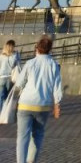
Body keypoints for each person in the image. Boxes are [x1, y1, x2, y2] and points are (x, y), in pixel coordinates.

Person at [15, 35, 62, 163]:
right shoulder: (54, 65)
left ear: (37, 48)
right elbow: (57, 87)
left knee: (22, 137)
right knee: (38, 135)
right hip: (43, 106)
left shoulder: (30, 63)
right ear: (50, 49)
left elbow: (19, 83)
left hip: (25, 104)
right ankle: (31, 160)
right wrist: (57, 104)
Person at [0, 40, 21, 109]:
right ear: (12, 46)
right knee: (9, 97)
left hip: (1, 78)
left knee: (1, 97)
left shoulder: (1, 56)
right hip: (10, 78)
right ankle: (6, 112)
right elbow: (18, 65)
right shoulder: (15, 55)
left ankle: (1, 112)